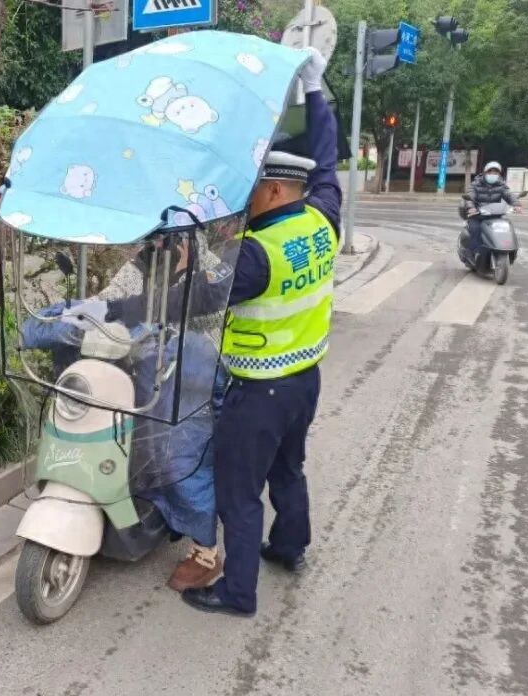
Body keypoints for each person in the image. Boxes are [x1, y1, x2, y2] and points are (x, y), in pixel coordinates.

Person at [177, 46, 342, 617]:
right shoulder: (322, 218)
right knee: (288, 470)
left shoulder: (254, 256)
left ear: (272, 190)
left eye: (245, 189)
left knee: (239, 493)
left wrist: (183, 257)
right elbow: (327, 164)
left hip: (258, 395)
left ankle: (237, 592)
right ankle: (290, 547)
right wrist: (315, 92)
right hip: (305, 382)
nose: (237, 200)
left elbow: (192, 300)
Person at [23, 235, 229, 592]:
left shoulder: (210, 273)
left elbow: (202, 315)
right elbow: (111, 301)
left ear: (188, 236)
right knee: (118, 430)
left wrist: (156, 320)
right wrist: (76, 315)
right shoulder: (142, 266)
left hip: (194, 377)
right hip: (150, 372)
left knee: (177, 457)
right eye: (155, 237)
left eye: (169, 236)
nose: (159, 244)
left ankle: (205, 550)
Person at [465, 161, 521, 252]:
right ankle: (473, 252)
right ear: (485, 172)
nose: (492, 174)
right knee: (475, 230)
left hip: (495, 215)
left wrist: (516, 204)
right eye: (490, 172)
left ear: (499, 174)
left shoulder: (501, 185)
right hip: (477, 215)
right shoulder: (476, 184)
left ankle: (509, 250)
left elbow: (509, 195)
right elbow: (470, 197)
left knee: (507, 228)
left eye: (495, 172)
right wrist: (471, 207)